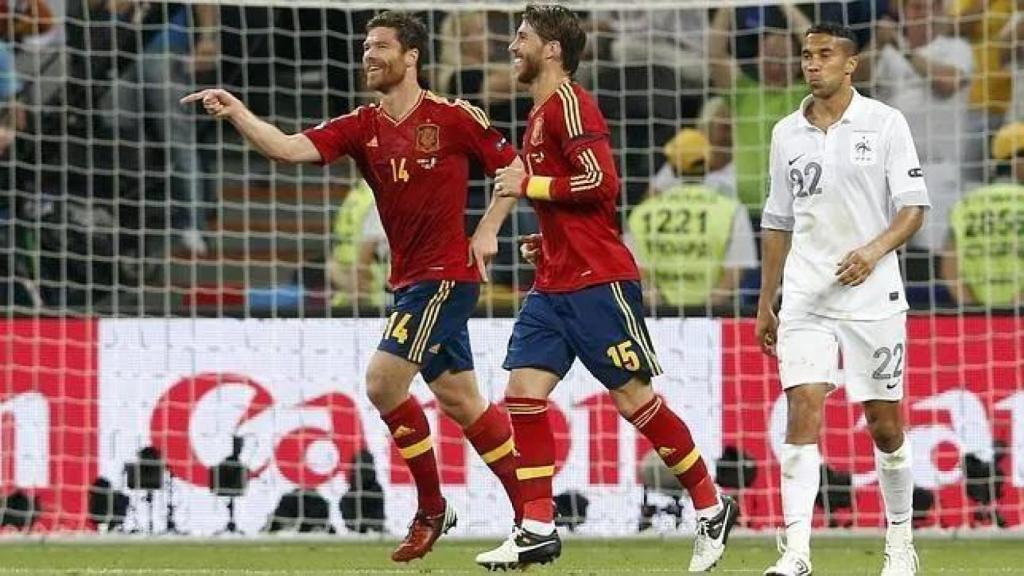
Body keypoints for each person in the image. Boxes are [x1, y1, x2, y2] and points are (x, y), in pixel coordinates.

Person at [183, 11, 525, 564]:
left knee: (383, 383)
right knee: (464, 403)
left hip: (446, 278)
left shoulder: (454, 118)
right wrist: (238, 111)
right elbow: (288, 149)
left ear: (411, 56)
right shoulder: (361, 127)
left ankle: (433, 507)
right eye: (366, 47)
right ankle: (535, 511)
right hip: (409, 283)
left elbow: (513, 169)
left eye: (381, 47)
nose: (369, 55)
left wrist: (486, 230)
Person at [474, 5, 738, 572]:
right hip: (555, 281)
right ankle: (537, 527)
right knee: (522, 394)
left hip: (598, 283)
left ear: (552, 50)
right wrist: (546, 243)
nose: (511, 47)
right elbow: (572, 202)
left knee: (633, 399)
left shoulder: (571, 103)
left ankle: (711, 505)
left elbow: (600, 183)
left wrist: (528, 183)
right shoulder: (539, 111)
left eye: (521, 38)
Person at [756, 23, 929, 576]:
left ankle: (900, 542)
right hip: (806, 296)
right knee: (803, 406)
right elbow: (778, 219)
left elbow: (913, 208)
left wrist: (873, 250)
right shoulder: (786, 132)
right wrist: (767, 300)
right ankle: (797, 552)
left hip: (873, 297)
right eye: (807, 55)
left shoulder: (884, 123)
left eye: (825, 55)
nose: (813, 64)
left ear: (851, 64)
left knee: (884, 424)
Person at [627, 129, 757, 310]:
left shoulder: (642, 214)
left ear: (672, 166)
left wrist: (661, 308)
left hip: (657, 318)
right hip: (714, 316)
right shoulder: (732, 210)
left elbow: (636, 271)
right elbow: (735, 271)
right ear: (708, 163)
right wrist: (705, 311)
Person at [940, 121, 1024, 307]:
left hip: (975, 320)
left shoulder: (966, 204)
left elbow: (949, 264)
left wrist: (970, 306)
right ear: (1016, 159)